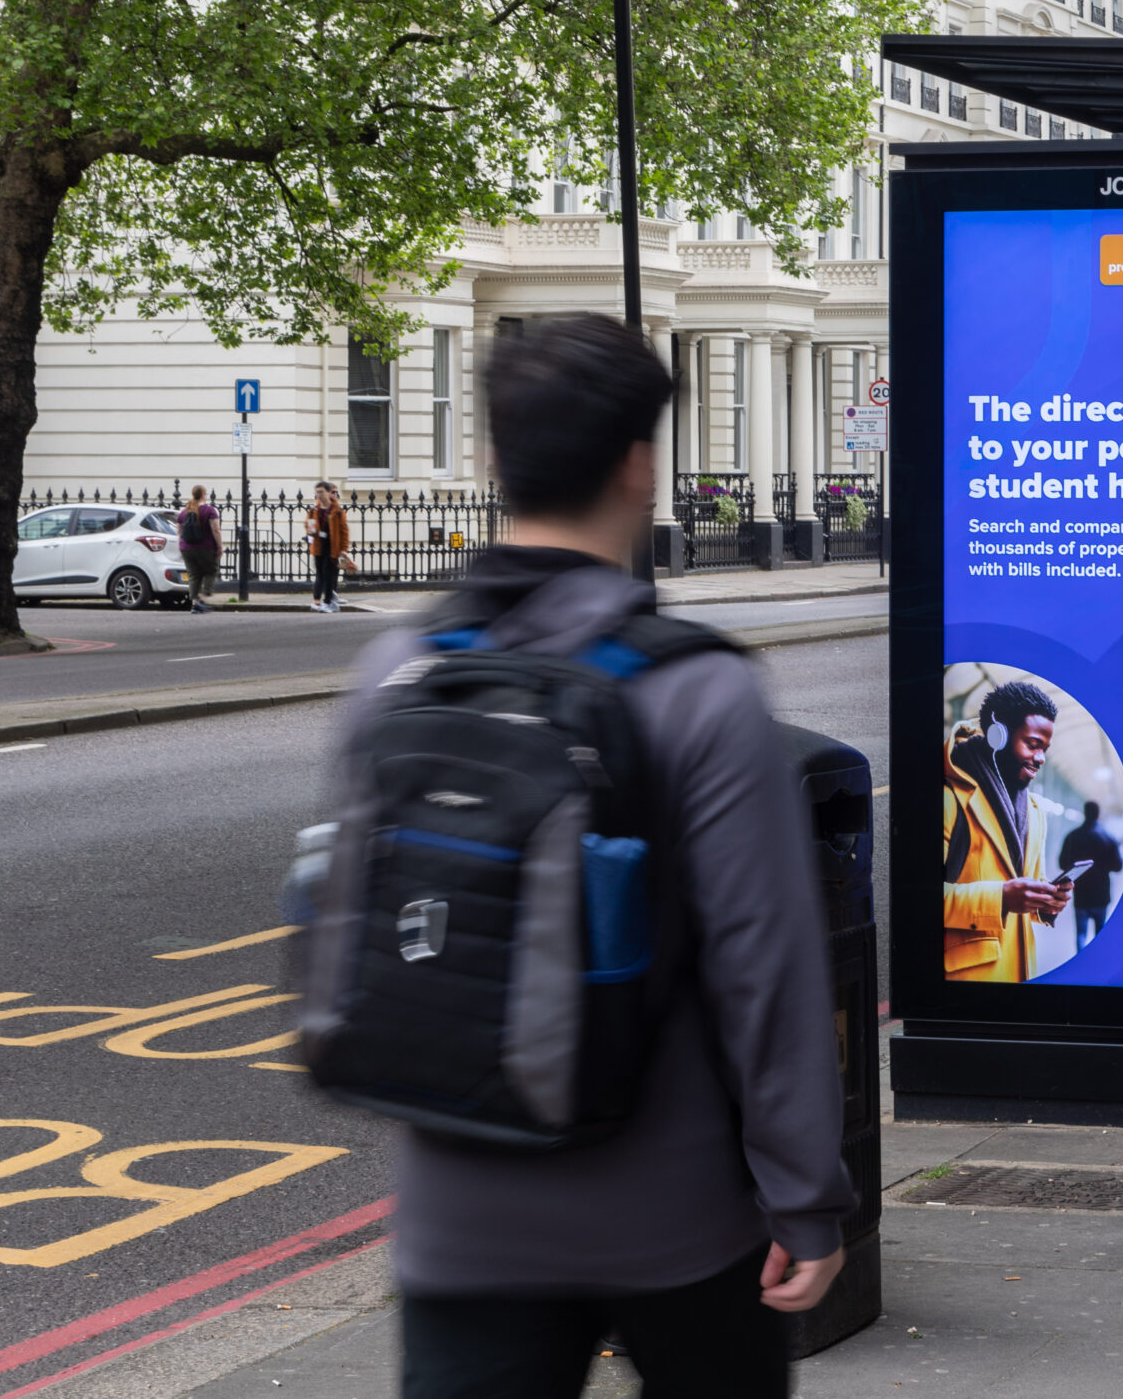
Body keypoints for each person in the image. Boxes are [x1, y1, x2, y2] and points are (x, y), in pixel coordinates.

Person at [342, 314, 851, 1397]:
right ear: (637, 465)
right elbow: (763, 972)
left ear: (491, 457)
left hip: (458, 1216)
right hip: (670, 1218)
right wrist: (804, 1197)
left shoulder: (397, 669)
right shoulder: (694, 689)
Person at [941, 679, 1069, 981]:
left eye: (1045, 749)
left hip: (1019, 976)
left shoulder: (1035, 813)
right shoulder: (949, 799)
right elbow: (914, 898)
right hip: (967, 984)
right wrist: (1000, 899)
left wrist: (1046, 902)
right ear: (998, 736)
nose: (1041, 758)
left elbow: (1024, 888)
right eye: (1033, 744)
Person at [1056, 800, 1123, 948]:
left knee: (1081, 934)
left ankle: (1082, 965)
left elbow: (1062, 863)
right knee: (1100, 934)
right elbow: (1118, 866)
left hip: (1081, 895)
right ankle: (1097, 964)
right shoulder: (1108, 838)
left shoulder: (1072, 836)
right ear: (1098, 814)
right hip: (1101, 896)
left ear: (1084, 813)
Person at [305, 482, 350, 613]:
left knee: (329, 573)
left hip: (332, 547)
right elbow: (308, 526)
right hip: (319, 546)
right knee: (321, 573)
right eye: (317, 492)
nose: (318, 494)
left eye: (321, 492)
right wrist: (311, 529)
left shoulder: (337, 511)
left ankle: (328, 601)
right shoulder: (314, 510)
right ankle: (325, 599)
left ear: (328, 493)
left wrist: (343, 549)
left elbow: (344, 531)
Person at [177, 485, 221, 613]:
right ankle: (201, 598)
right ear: (203, 494)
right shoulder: (209, 511)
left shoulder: (184, 512)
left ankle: (194, 605)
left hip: (186, 548)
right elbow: (216, 530)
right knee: (211, 571)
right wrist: (219, 546)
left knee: (193, 575)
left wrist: (183, 544)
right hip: (206, 547)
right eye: (205, 494)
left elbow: (179, 531)